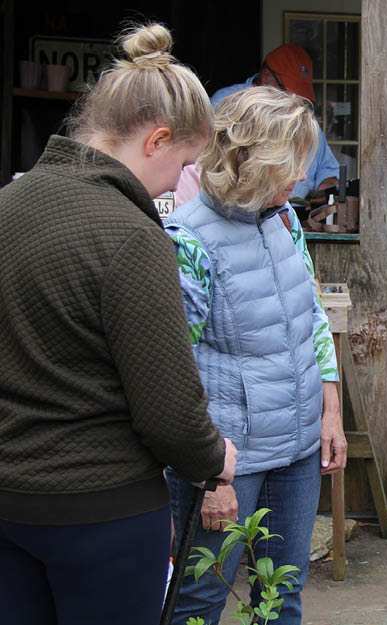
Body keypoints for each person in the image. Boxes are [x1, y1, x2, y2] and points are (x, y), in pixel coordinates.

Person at [0, 23, 237, 625]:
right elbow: (169, 413)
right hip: (101, 513)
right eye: (181, 164)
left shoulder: (9, 205)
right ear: (157, 140)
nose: (174, 187)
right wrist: (215, 460)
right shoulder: (132, 234)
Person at [162, 85, 348, 625]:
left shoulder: (286, 219)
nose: (300, 180)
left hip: (296, 450)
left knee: (280, 597)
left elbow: (312, 317)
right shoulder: (188, 242)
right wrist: (211, 478)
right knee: (201, 599)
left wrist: (329, 413)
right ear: (251, 164)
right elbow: (177, 371)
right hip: (228, 463)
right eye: (291, 167)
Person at [172, 43, 339, 206]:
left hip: (296, 217)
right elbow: (208, 167)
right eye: (289, 92)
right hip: (243, 210)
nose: (294, 103)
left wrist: (324, 195)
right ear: (267, 77)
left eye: (302, 97)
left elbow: (329, 172)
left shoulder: (302, 119)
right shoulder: (228, 105)